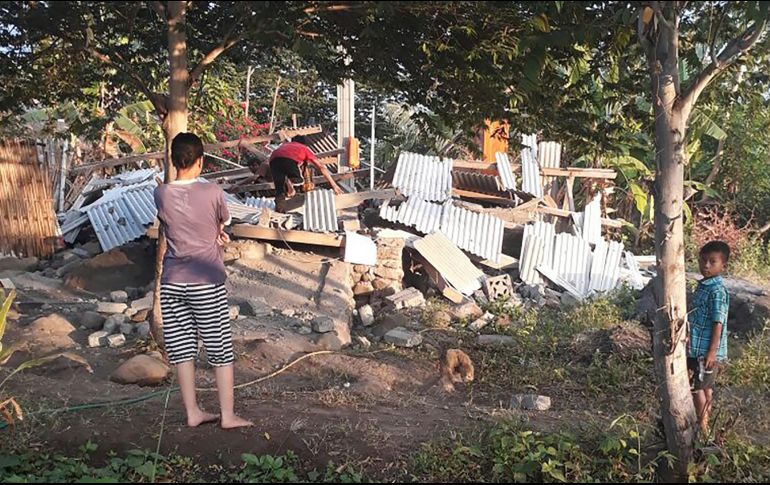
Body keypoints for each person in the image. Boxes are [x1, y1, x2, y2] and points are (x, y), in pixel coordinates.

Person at [154, 132, 252, 429]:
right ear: (200, 161)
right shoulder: (212, 191)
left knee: (182, 348)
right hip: (205, 280)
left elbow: (176, 225)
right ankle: (228, 415)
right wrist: (217, 234)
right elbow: (221, 220)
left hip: (172, 280)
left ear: (173, 160)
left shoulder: (161, 193)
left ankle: (193, 412)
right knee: (219, 347)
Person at [688, 240, 730, 435]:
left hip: (705, 352)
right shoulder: (703, 286)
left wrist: (711, 352)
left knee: (698, 388)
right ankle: (704, 423)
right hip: (696, 348)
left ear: (723, 266)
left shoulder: (717, 291)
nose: (706, 265)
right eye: (703, 260)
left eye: (712, 262)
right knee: (705, 387)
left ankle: (702, 428)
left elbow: (718, 322)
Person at [266, 135, 343, 211]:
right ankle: (290, 185)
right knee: (298, 180)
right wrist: (334, 185)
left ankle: (280, 209)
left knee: (279, 190)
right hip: (288, 159)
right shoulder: (303, 148)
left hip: (273, 159)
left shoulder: (285, 145)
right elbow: (321, 167)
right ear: (304, 143)